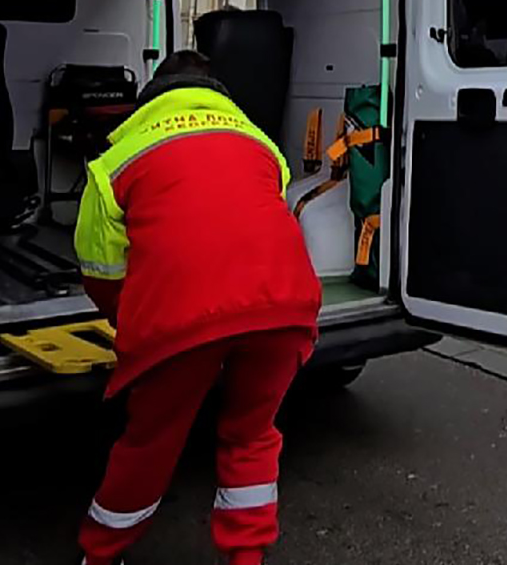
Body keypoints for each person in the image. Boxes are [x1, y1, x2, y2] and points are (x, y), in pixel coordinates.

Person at [72, 51, 322, 565]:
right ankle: (246, 557)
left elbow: (100, 272)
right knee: (253, 434)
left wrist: (137, 322)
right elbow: (254, 219)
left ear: (150, 98)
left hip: (181, 316)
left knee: (152, 443)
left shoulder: (115, 161)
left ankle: (99, 555)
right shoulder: (260, 144)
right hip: (286, 304)